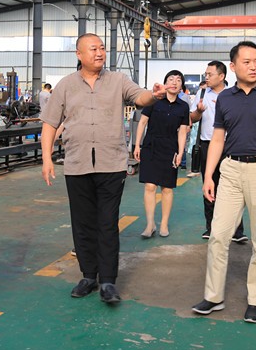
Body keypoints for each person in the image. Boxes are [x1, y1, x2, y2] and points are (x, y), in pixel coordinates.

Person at [41, 33, 169, 304]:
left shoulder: (118, 80)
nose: (99, 53)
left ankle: (108, 281)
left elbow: (140, 96)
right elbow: (50, 123)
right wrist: (46, 158)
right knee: (82, 223)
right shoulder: (65, 85)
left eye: (101, 48)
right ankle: (89, 276)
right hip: (77, 163)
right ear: (79, 54)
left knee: (107, 222)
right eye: (93, 49)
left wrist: (155, 95)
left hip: (111, 163)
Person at [192, 41, 256, 324]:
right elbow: (217, 139)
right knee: (219, 235)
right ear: (233, 67)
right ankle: (213, 296)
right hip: (231, 170)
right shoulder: (225, 98)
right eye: (247, 62)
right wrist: (208, 176)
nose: (253, 66)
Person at [189, 61, 247, 243]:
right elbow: (192, 118)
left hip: (231, 146)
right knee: (209, 184)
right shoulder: (202, 93)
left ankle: (237, 230)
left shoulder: (233, 95)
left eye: (210, 74)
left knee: (234, 187)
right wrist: (199, 111)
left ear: (221, 76)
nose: (206, 77)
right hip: (208, 145)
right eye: (205, 74)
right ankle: (211, 227)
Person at [132, 70, 190, 239]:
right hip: (151, 145)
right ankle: (150, 224)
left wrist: (180, 152)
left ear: (181, 86)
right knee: (150, 186)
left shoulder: (183, 107)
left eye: (178, 80)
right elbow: (143, 122)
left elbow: (182, 132)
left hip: (170, 148)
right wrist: (137, 145)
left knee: (167, 188)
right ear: (165, 83)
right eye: (171, 79)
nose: (174, 82)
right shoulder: (154, 100)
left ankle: (164, 223)